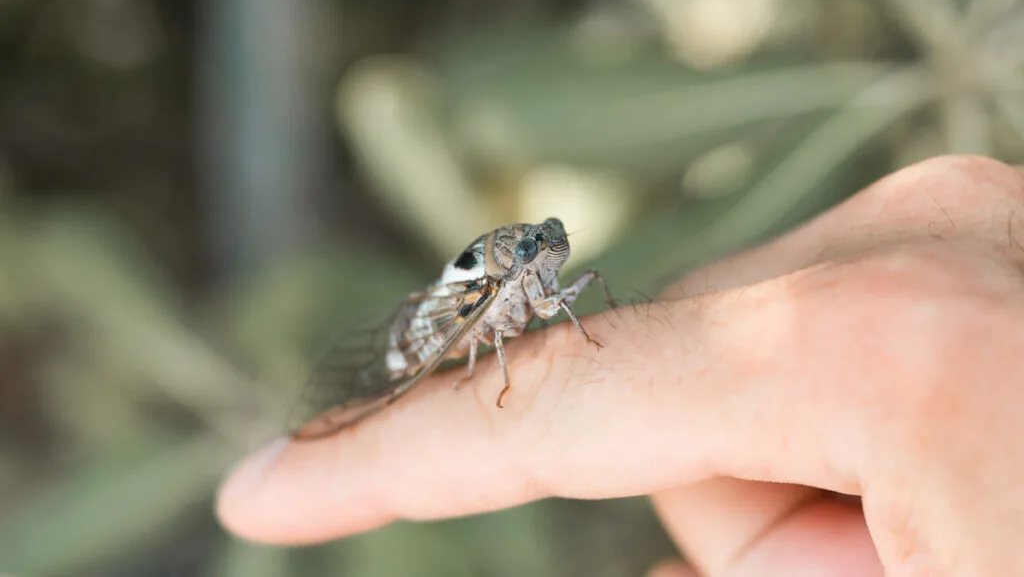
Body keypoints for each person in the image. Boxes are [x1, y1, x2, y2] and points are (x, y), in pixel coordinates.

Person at [216, 155, 1024, 576]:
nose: (548, 260)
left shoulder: (554, 272)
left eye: (547, 252)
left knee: (578, 301)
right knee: (450, 349)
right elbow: (491, 326)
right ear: (517, 261)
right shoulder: (495, 291)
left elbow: (580, 289)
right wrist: (484, 368)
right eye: (535, 254)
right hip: (438, 327)